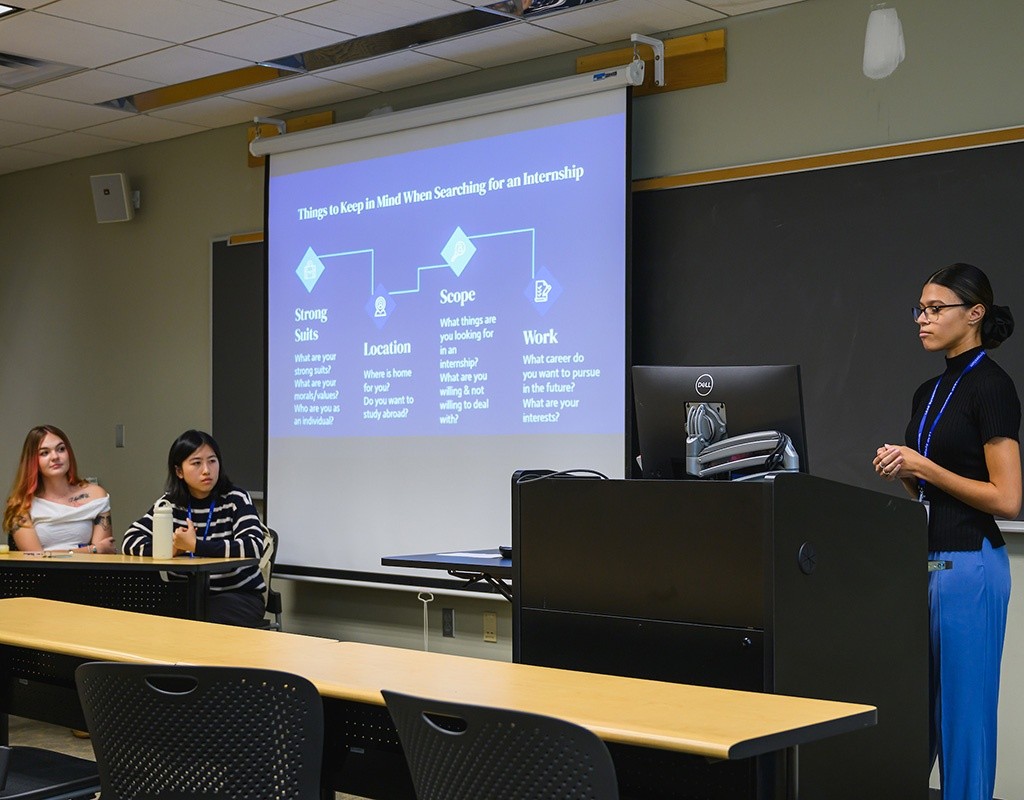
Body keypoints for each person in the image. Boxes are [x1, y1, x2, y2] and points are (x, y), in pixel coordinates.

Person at [873, 263, 1020, 800]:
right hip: (925, 564)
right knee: (917, 719)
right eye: (920, 309)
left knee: (965, 724)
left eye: (936, 309)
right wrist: (907, 473)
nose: (922, 319)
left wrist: (925, 467)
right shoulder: (927, 391)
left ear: (974, 314)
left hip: (972, 568)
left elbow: (1007, 499)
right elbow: (933, 494)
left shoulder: (993, 387)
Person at [123, 429, 267, 627]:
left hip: (236, 595)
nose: (206, 470)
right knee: (144, 621)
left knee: (198, 622)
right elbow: (130, 539)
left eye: (212, 461)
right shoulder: (169, 505)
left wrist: (196, 546)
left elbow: (252, 546)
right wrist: (171, 549)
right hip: (185, 596)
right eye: (197, 463)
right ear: (179, 471)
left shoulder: (235, 499)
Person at [3, 425, 114, 553]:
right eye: (45, 453)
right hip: (44, 573)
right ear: (33, 461)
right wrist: (90, 550)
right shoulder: (20, 504)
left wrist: (94, 550)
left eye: (61, 449)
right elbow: (35, 558)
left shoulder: (96, 495)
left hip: (86, 572)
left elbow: (104, 552)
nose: (55, 457)